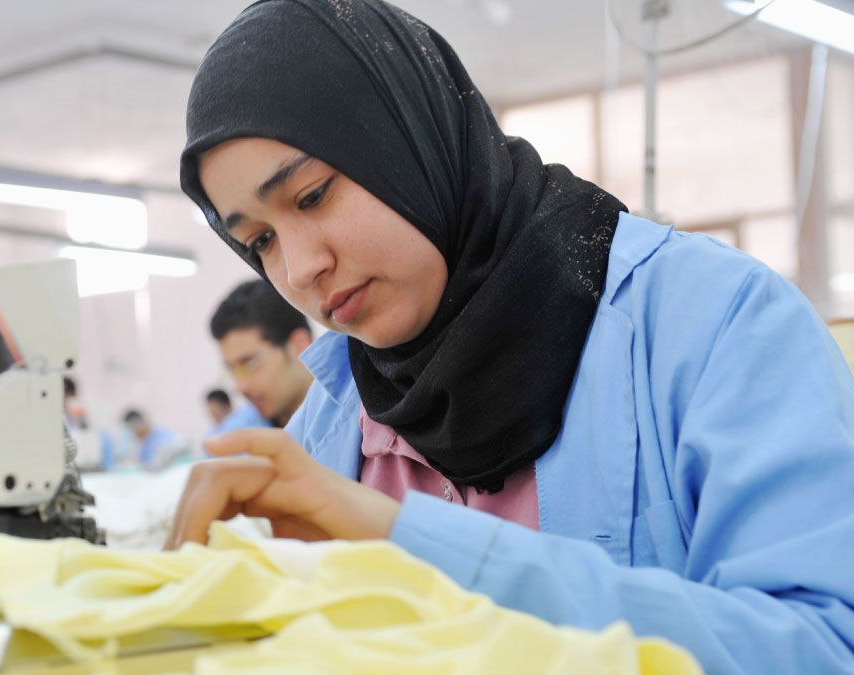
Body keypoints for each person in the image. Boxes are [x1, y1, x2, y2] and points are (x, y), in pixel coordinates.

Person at [165, 1, 854, 672]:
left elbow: (823, 648)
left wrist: (406, 542)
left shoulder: (718, 323)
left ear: (406, 138)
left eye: (312, 195)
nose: (300, 267)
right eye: (259, 241)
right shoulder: (333, 424)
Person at [209, 279, 314, 429]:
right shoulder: (237, 434)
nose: (240, 387)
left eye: (250, 364)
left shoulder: (355, 419)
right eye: (232, 370)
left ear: (300, 346)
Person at [120, 409, 191, 471]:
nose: (133, 434)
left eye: (132, 429)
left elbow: (183, 444)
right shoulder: (144, 444)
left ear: (139, 424)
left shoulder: (162, 437)